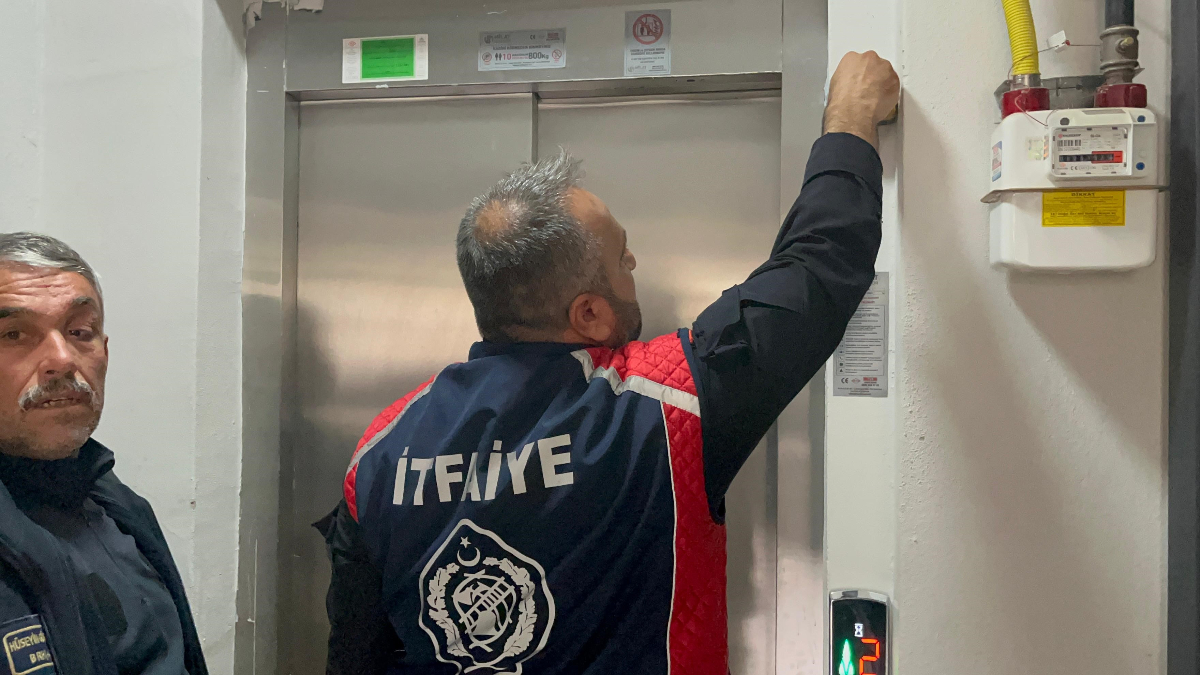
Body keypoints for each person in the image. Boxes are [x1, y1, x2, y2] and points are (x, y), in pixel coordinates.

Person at [319, 51, 899, 675]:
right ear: (589, 314)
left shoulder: (379, 453)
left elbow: (355, 659)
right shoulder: (665, 407)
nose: (634, 265)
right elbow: (815, 269)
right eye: (623, 258)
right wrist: (850, 116)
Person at [0, 233, 207, 675]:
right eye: (14, 334)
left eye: (80, 332)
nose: (61, 359)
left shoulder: (119, 509)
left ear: (105, 352)